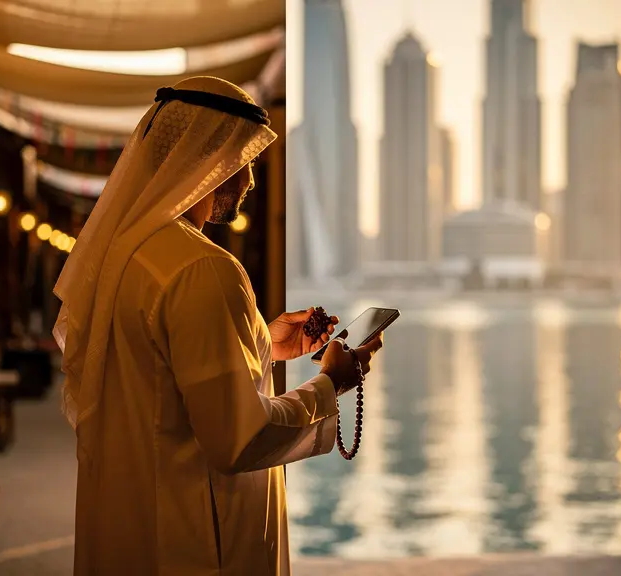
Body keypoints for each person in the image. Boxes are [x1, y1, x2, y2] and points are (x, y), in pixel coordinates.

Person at [52, 76, 384, 576]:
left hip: (133, 522)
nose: (249, 179)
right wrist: (330, 382)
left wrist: (260, 342)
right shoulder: (203, 267)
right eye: (242, 159)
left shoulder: (124, 256)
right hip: (193, 546)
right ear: (206, 159)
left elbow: (155, 375)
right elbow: (239, 438)